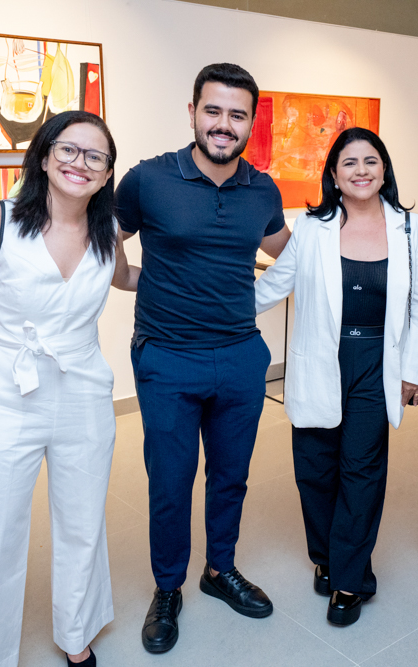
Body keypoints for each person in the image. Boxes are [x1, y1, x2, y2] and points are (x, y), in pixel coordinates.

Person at [0, 110, 129, 667]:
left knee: (83, 518)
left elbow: (128, 277)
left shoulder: (105, 230)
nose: (80, 164)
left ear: (107, 171)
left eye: (96, 157)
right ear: (43, 154)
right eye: (68, 149)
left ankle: (77, 631)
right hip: (5, 393)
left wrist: (198, 263)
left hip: (83, 391)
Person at [113, 63, 291, 654]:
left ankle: (220, 570)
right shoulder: (148, 180)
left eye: (237, 114)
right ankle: (168, 588)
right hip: (167, 358)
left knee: (231, 476)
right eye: (212, 111)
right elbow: (102, 236)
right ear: (192, 112)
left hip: (242, 356)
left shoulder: (262, 190)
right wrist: (137, 278)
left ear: (250, 123)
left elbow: (281, 248)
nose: (223, 124)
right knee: (170, 481)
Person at [255, 127, 418, 626]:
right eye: (349, 162)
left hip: (378, 362)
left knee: (362, 470)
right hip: (320, 360)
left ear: (385, 170)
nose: (361, 170)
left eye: (371, 161)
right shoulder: (311, 228)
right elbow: (274, 285)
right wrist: (211, 310)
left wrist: (416, 369)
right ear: (333, 173)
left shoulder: (411, 229)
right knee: (314, 469)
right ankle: (326, 556)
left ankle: (350, 580)